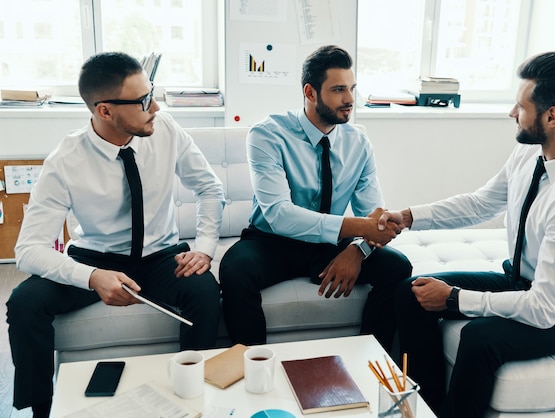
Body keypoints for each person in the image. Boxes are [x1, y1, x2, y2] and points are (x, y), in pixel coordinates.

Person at [379, 51, 555, 417]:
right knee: (411, 293)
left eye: (520, 106)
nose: (511, 113)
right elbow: (480, 203)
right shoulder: (531, 153)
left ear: (552, 117)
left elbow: (544, 309)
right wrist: (410, 216)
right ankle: (424, 409)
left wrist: (455, 298)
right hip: (521, 281)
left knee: (479, 340)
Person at [6, 52, 225, 418]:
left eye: (151, 93)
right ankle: (41, 410)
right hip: (95, 258)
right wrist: (91, 276)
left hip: (159, 256)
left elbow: (210, 189)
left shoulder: (167, 129)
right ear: (105, 111)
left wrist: (204, 248)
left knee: (203, 292)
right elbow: (28, 249)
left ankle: (191, 398)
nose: (155, 106)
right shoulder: (65, 161)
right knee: (24, 303)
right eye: (142, 101)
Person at [219, 45, 412, 351]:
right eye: (338, 90)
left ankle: (371, 359)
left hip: (330, 246)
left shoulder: (358, 142)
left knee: (398, 267)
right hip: (272, 242)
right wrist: (361, 228)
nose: (349, 100)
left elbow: (374, 219)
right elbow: (279, 215)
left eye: (352, 89)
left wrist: (358, 252)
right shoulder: (267, 135)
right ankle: (253, 366)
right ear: (310, 93)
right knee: (235, 270)